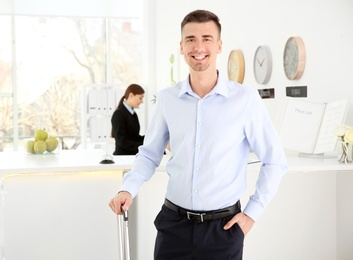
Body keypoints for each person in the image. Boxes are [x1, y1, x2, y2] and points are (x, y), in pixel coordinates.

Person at [109, 9, 288, 259]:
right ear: (182, 47)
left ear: (219, 45)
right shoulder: (168, 99)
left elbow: (275, 161)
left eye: (207, 38)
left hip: (223, 230)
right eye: (191, 39)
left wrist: (251, 215)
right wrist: (128, 189)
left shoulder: (245, 100)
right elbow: (149, 155)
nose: (199, 46)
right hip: (173, 226)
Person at [111, 83, 145, 155]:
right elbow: (122, 142)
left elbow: (134, 137)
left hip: (131, 156)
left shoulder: (133, 114)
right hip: (123, 158)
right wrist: (143, 146)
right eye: (140, 98)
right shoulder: (119, 114)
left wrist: (148, 139)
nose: (142, 101)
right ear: (131, 95)